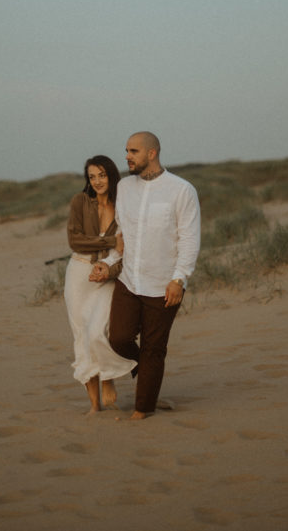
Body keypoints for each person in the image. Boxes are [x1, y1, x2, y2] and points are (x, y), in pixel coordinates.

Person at [90, 132, 201, 420]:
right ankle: (148, 371)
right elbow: (122, 234)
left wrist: (179, 279)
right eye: (126, 150)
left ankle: (143, 409)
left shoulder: (181, 190)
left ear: (152, 153)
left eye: (134, 151)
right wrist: (109, 262)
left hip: (164, 285)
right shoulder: (125, 187)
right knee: (118, 338)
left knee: (154, 348)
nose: (127, 156)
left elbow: (189, 239)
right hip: (129, 281)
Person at [64, 154, 137, 414]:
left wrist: (108, 270)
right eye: (92, 176)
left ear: (111, 175)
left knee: (97, 332)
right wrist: (110, 241)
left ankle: (108, 377)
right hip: (79, 273)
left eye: (102, 175)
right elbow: (75, 241)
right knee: (81, 337)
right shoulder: (80, 201)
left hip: (108, 274)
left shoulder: (124, 205)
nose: (97, 181)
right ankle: (94, 405)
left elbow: (126, 249)